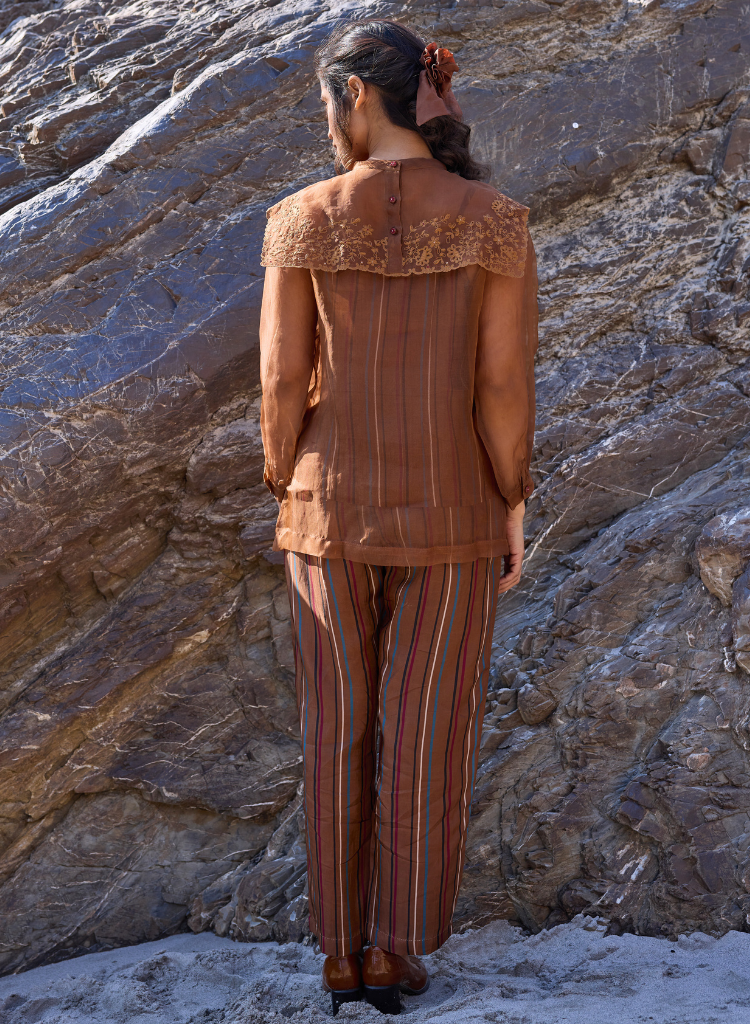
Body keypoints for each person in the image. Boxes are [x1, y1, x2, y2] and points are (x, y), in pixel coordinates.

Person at [259, 18, 537, 1016]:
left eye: (326, 104)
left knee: (335, 728)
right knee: (424, 733)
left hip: (325, 513)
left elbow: (281, 378)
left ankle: (338, 952)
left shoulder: (299, 217)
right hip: (454, 512)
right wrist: (511, 500)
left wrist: (287, 480)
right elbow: (502, 385)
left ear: (355, 96)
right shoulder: (494, 219)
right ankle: (392, 948)